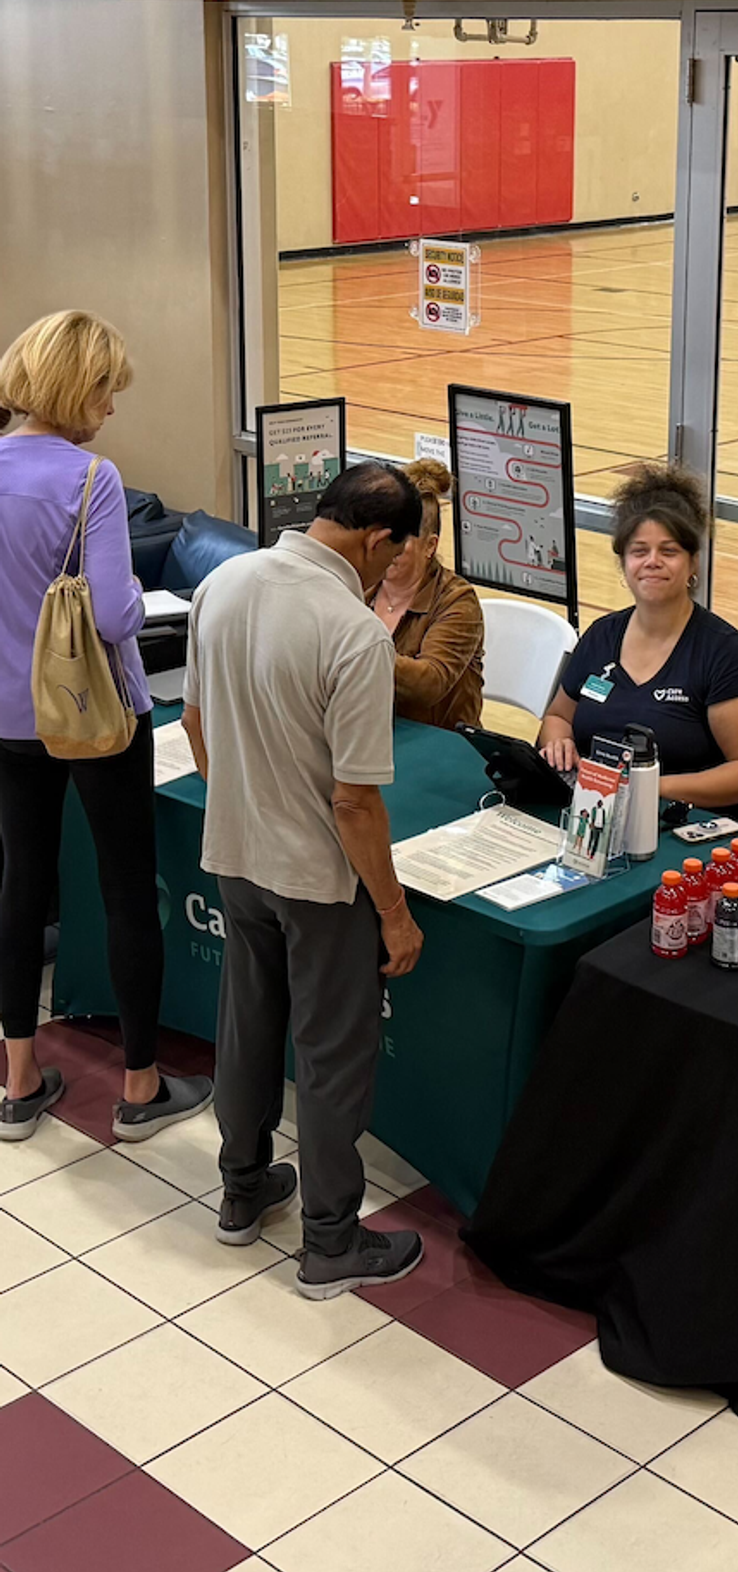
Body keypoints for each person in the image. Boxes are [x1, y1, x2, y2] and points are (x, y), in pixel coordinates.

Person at [182, 461, 427, 1301]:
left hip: (235, 859)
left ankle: (241, 1192)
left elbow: (194, 719)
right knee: (330, 1059)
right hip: (316, 884)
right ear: (376, 538)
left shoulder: (224, 581)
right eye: (395, 555)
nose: (390, 572)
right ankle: (330, 1243)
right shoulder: (353, 630)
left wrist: (240, 806)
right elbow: (355, 801)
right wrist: (393, 915)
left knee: (247, 1028)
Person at [0, 311, 212, 1140]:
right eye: (104, 389)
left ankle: (19, 1078)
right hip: (92, 716)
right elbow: (121, 614)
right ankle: (139, 1085)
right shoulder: (92, 480)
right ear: (71, 387)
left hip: (9, 716)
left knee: (20, 882)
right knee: (128, 892)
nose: (110, 408)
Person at [539, 463, 738, 827]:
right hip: (599, 819)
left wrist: (649, 787)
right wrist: (559, 743)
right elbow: (558, 717)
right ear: (623, 562)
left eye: (668, 551)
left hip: (690, 833)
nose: (652, 562)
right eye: (639, 551)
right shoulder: (602, 635)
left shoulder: (727, 654)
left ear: (692, 562)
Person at [369, 458, 484, 731]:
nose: (387, 544)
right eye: (383, 532)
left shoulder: (458, 601)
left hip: (443, 748)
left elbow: (429, 683)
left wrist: (355, 653)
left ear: (429, 546)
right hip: (372, 735)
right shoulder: (362, 584)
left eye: (402, 537)